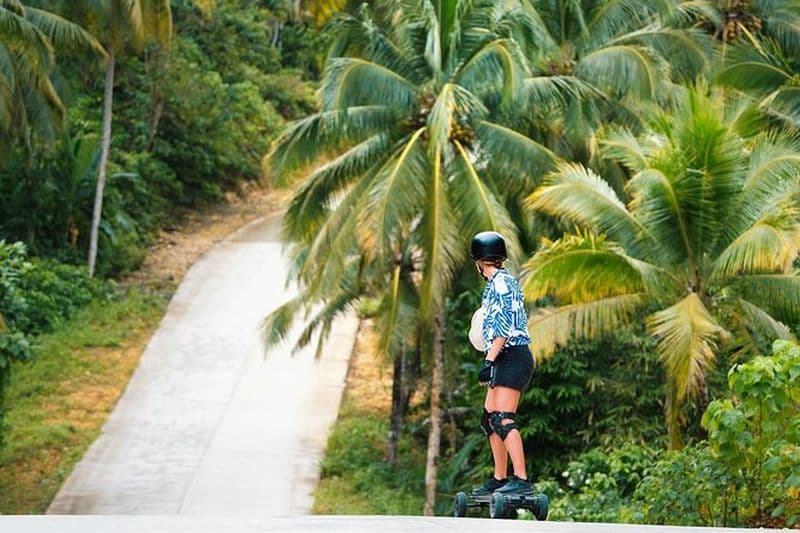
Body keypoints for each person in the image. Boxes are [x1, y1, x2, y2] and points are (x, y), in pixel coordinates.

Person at [469, 231, 535, 498]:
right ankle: (500, 478)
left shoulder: (500, 285)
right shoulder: (500, 282)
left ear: (478, 261)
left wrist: (488, 360)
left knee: (502, 418)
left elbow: (503, 329)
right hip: (505, 356)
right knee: (489, 419)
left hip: (512, 356)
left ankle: (521, 480)